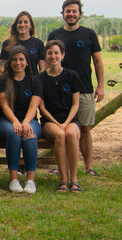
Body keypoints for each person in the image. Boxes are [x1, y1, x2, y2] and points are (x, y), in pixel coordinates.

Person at [48, 0, 104, 176]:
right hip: (59, 91)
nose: (71, 14)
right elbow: (47, 61)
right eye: (67, 11)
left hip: (85, 88)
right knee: (62, 129)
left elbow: (97, 61)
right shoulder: (55, 35)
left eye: (74, 11)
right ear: (62, 14)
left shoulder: (89, 34)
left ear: (80, 14)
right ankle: (60, 166)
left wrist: (101, 85)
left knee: (85, 128)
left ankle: (88, 166)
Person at [0, 46, 43, 194]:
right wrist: (15, 121)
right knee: (14, 133)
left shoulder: (35, 80)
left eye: (21, 59)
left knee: (29, 134)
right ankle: (13, 179)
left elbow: (34, 106)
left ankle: (30, 180)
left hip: (29, 119)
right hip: (5, 120)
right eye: (14, 59)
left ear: (27, 62)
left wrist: (26, 122)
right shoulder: (1, 79)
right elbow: (3, 104)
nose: (18, 62)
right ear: (10, 62)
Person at [39, 40, 82, 193]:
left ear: (62, 55)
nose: (53, 56)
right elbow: (41, 107)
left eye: (56, 53)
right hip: (50, 121)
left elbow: (75, 104)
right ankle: (63, 179)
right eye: (49, 53)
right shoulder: (40, 79)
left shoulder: (72, 76)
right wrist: (56, 122)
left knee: (70, 134)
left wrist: (67, 122)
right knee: (59, 134)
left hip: (70, 120)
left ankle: (74, 179)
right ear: (45, 56)